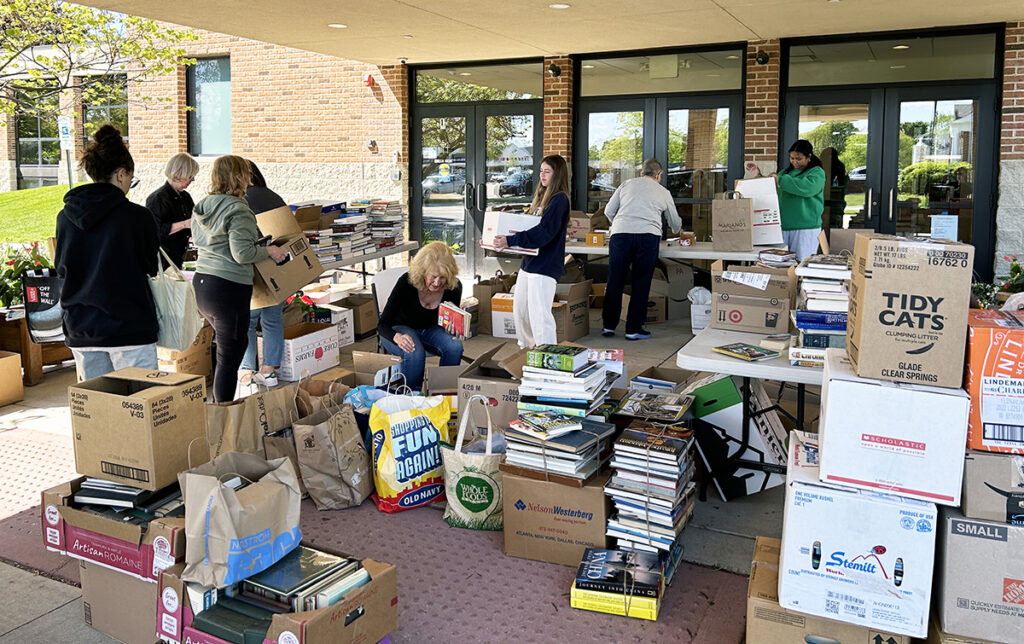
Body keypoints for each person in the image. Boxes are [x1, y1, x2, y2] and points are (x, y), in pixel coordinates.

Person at [54, 124, 160, 380]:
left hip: (81, 326)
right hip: (129, 327)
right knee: (140, 411)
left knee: (96, 414)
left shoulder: (65, 217)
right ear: (121, 174)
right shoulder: (138, 217)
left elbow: (62, 268)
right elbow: (151, 267)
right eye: (130, 180)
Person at [191, 155, 288, 402]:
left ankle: (221, 408)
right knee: (228, 359)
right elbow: (242, 253)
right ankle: (223, 417)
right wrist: (270, 250)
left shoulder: (202, 205)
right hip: (227, 288)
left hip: (203, 284)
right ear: (241, 177)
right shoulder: (239, 209)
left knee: (225, 352)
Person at [491, 154, 571, 349]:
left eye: (547, 171)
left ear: (557, 174)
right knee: (522, 313)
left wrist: (510, 240)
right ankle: (526, 354)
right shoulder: (543, 198)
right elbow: (525, 225)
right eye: (541, 171)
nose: (542, 175)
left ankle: (546, 358)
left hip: (545, 266)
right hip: (529, 265)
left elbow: (543, 233)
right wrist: (492, 238)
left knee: (540, 316)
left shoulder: (559, 200)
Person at [601, 158, 681, 341]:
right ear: (659, 175)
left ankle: (608, 326)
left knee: (615, 280)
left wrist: (621, 224)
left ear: (641, 173)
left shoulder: (626, 184)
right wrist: (679, 231)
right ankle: (633, 329)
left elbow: (608, 211)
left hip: (620, 235)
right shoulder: (663, 191)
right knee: (641, 283)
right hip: (648, 236)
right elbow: (674, 221)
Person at [377, 241, 463, 390]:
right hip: (399, 328)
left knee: (455, 346)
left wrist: (452, 328)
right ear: (423, 271)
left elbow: (446, 321)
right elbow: (382, 325)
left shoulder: (453, 287)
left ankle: (443, 393)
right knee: (414, 352)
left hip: (431, 330)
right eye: (433, 277)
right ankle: (412, 395)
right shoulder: (407, 282)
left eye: (442, 278)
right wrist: (397, 337)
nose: (437, 283)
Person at [238, 160, 288, 393]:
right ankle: (269, 371)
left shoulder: (241, 199)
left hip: (253, 266)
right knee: (272, 318)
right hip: (277, 265)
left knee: (247, 320)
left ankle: (247, 371)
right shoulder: (274, 196)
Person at [746, 139, 826, 262]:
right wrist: (759, 175)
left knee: (801, 264)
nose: (794, 161)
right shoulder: (785, 172)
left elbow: (808, 188)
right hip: (782, 227)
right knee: (780, 264)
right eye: (792, 158)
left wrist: (780, 180)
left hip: (805, 227)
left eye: (798, 158)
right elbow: (770, 188)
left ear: (809, 157)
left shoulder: (816, 172)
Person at [145, 152, 198, 268]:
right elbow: (155, 232)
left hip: (181, 258)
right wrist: (184, 224)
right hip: (163, 262)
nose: (192, 180)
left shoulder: (185, 197)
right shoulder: (157, 198)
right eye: (190, 176)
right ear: (180, 174)